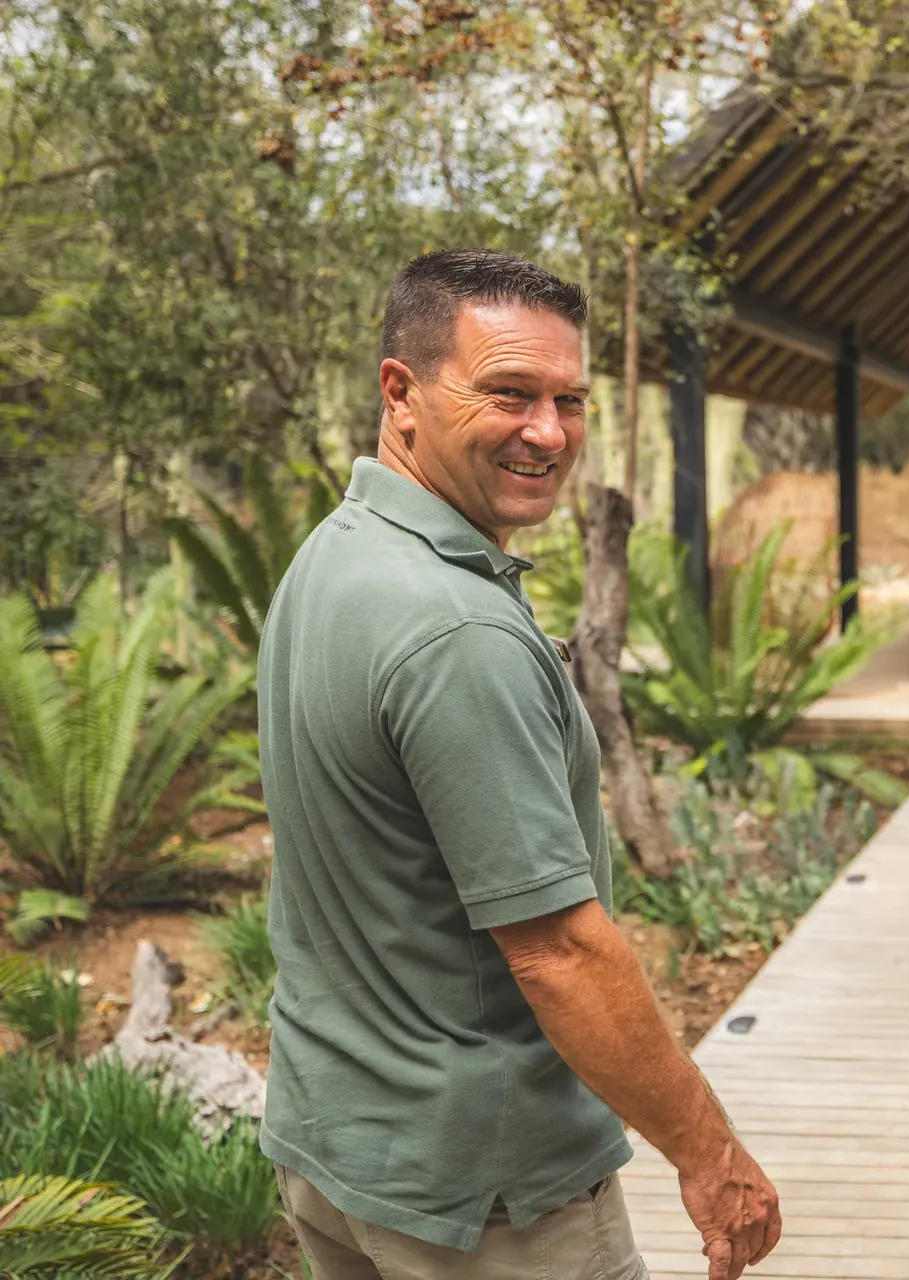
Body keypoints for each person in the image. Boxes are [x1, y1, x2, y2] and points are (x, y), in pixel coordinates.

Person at [256, 248, 780, 1280]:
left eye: (568, 399)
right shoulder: (454, 628)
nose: (548, 431)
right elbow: (560, 952)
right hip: (486, 1200)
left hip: (341, 1152)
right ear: (399, 392)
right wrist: (711, 1154)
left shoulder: (337, 553)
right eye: (509, 393)